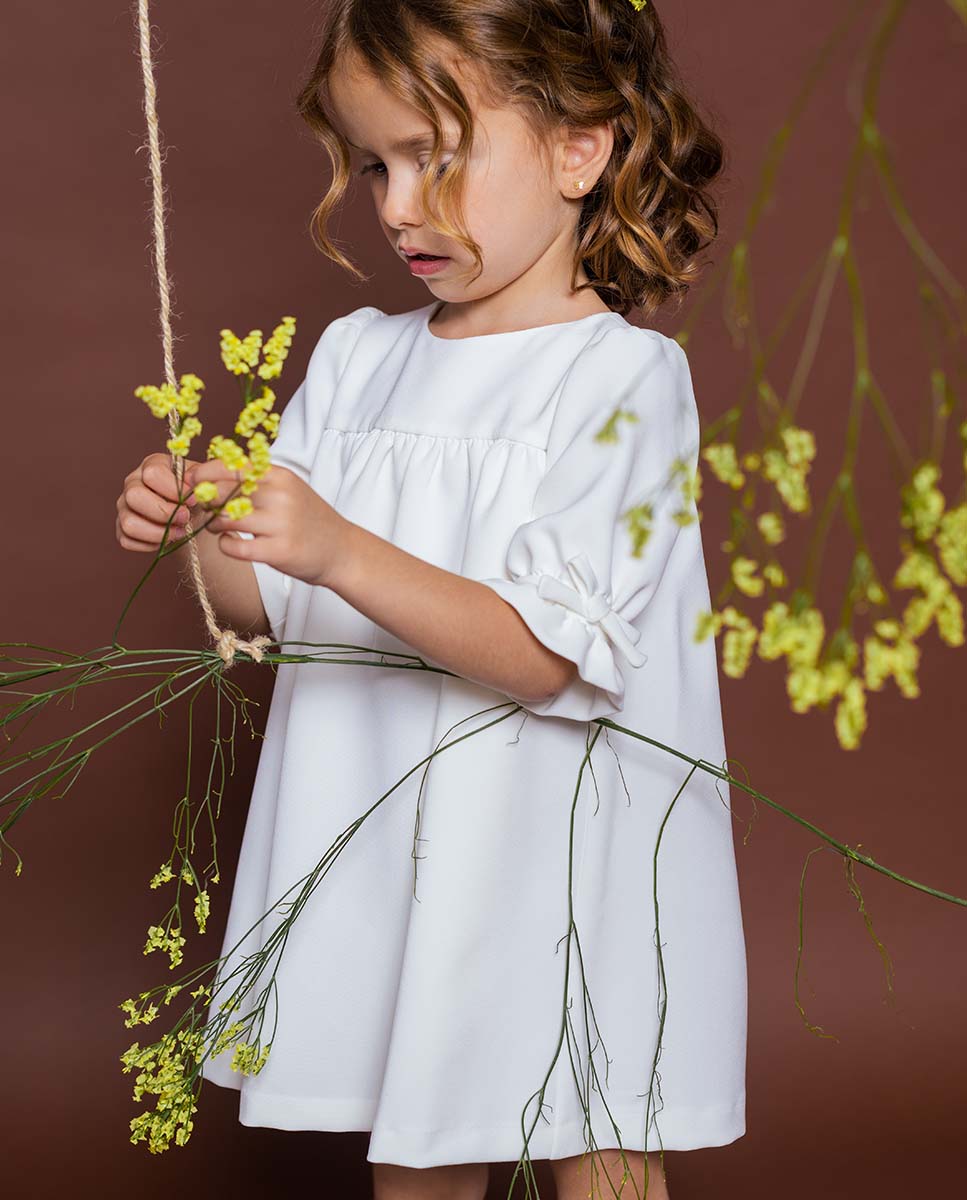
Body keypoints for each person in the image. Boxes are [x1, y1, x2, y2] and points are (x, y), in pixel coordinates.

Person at [115, 2, 747, 1196]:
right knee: (419, 1145)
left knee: (597, 1130)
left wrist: (339, 546)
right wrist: (203, 534)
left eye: (439, 157)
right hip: (391, 829)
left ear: (579, 150)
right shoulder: (357, 357)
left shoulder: (616, 379)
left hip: (568, 850)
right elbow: (267, 606)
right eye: (374, 164)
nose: (398, 204)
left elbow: (549, 660)